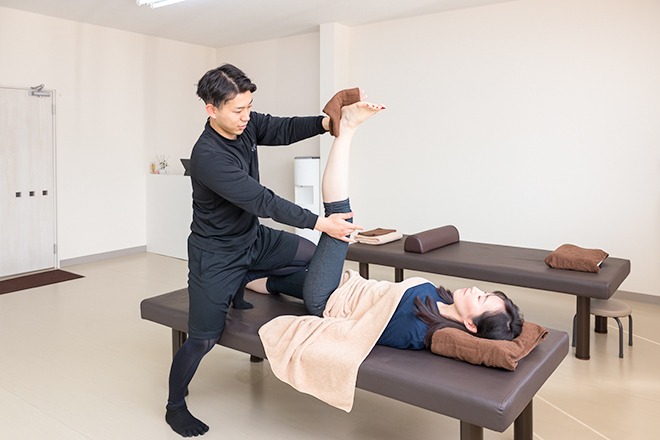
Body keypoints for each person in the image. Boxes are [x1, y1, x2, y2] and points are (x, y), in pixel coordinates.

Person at [165, 64, 361, 437]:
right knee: (204, 338)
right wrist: (321, 222)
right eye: (238, 110)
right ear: (211, 109)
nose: (246, 117)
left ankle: (256, 279)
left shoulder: (247, 125)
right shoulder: (208, 156)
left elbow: (282, 129)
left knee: (309, 255)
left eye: (249, 107)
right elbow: (262, 200)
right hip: (217, 255)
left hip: (253, 239)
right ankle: (174, 406)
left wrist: (326, 123)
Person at [249, 98, 524, 354]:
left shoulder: (419, 330)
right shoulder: (440, 299)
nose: (476, 290)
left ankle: (346, 128)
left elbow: (365, 330)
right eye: (485, 293)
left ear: (471, 325)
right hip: (344, 288)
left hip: (328, 300)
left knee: (341, 219)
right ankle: (243, 278)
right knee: (278, 281)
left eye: (481, 300)